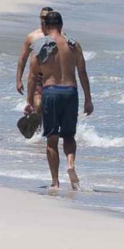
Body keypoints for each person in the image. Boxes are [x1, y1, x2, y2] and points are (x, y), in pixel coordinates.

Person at [25, 10, 93, 191]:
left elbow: (32, 77)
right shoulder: (73, 45)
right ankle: (70, 165)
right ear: (62, 26)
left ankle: (55, 181)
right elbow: (82, 72)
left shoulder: (40, 46)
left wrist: (30, 102)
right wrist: (88, 99)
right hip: (71, 92)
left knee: (52, 139)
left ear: (46, 27)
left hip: (51, 92)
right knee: (69, 136)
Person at [14, 6, 55, 96]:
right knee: (37, 106)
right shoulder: (32, 37)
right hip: (37, 77)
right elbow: (22, 59)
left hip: (54, 77)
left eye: (47, 18)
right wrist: (18, 80)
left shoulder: (58, 36)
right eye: (42, 17)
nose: (44, 20)